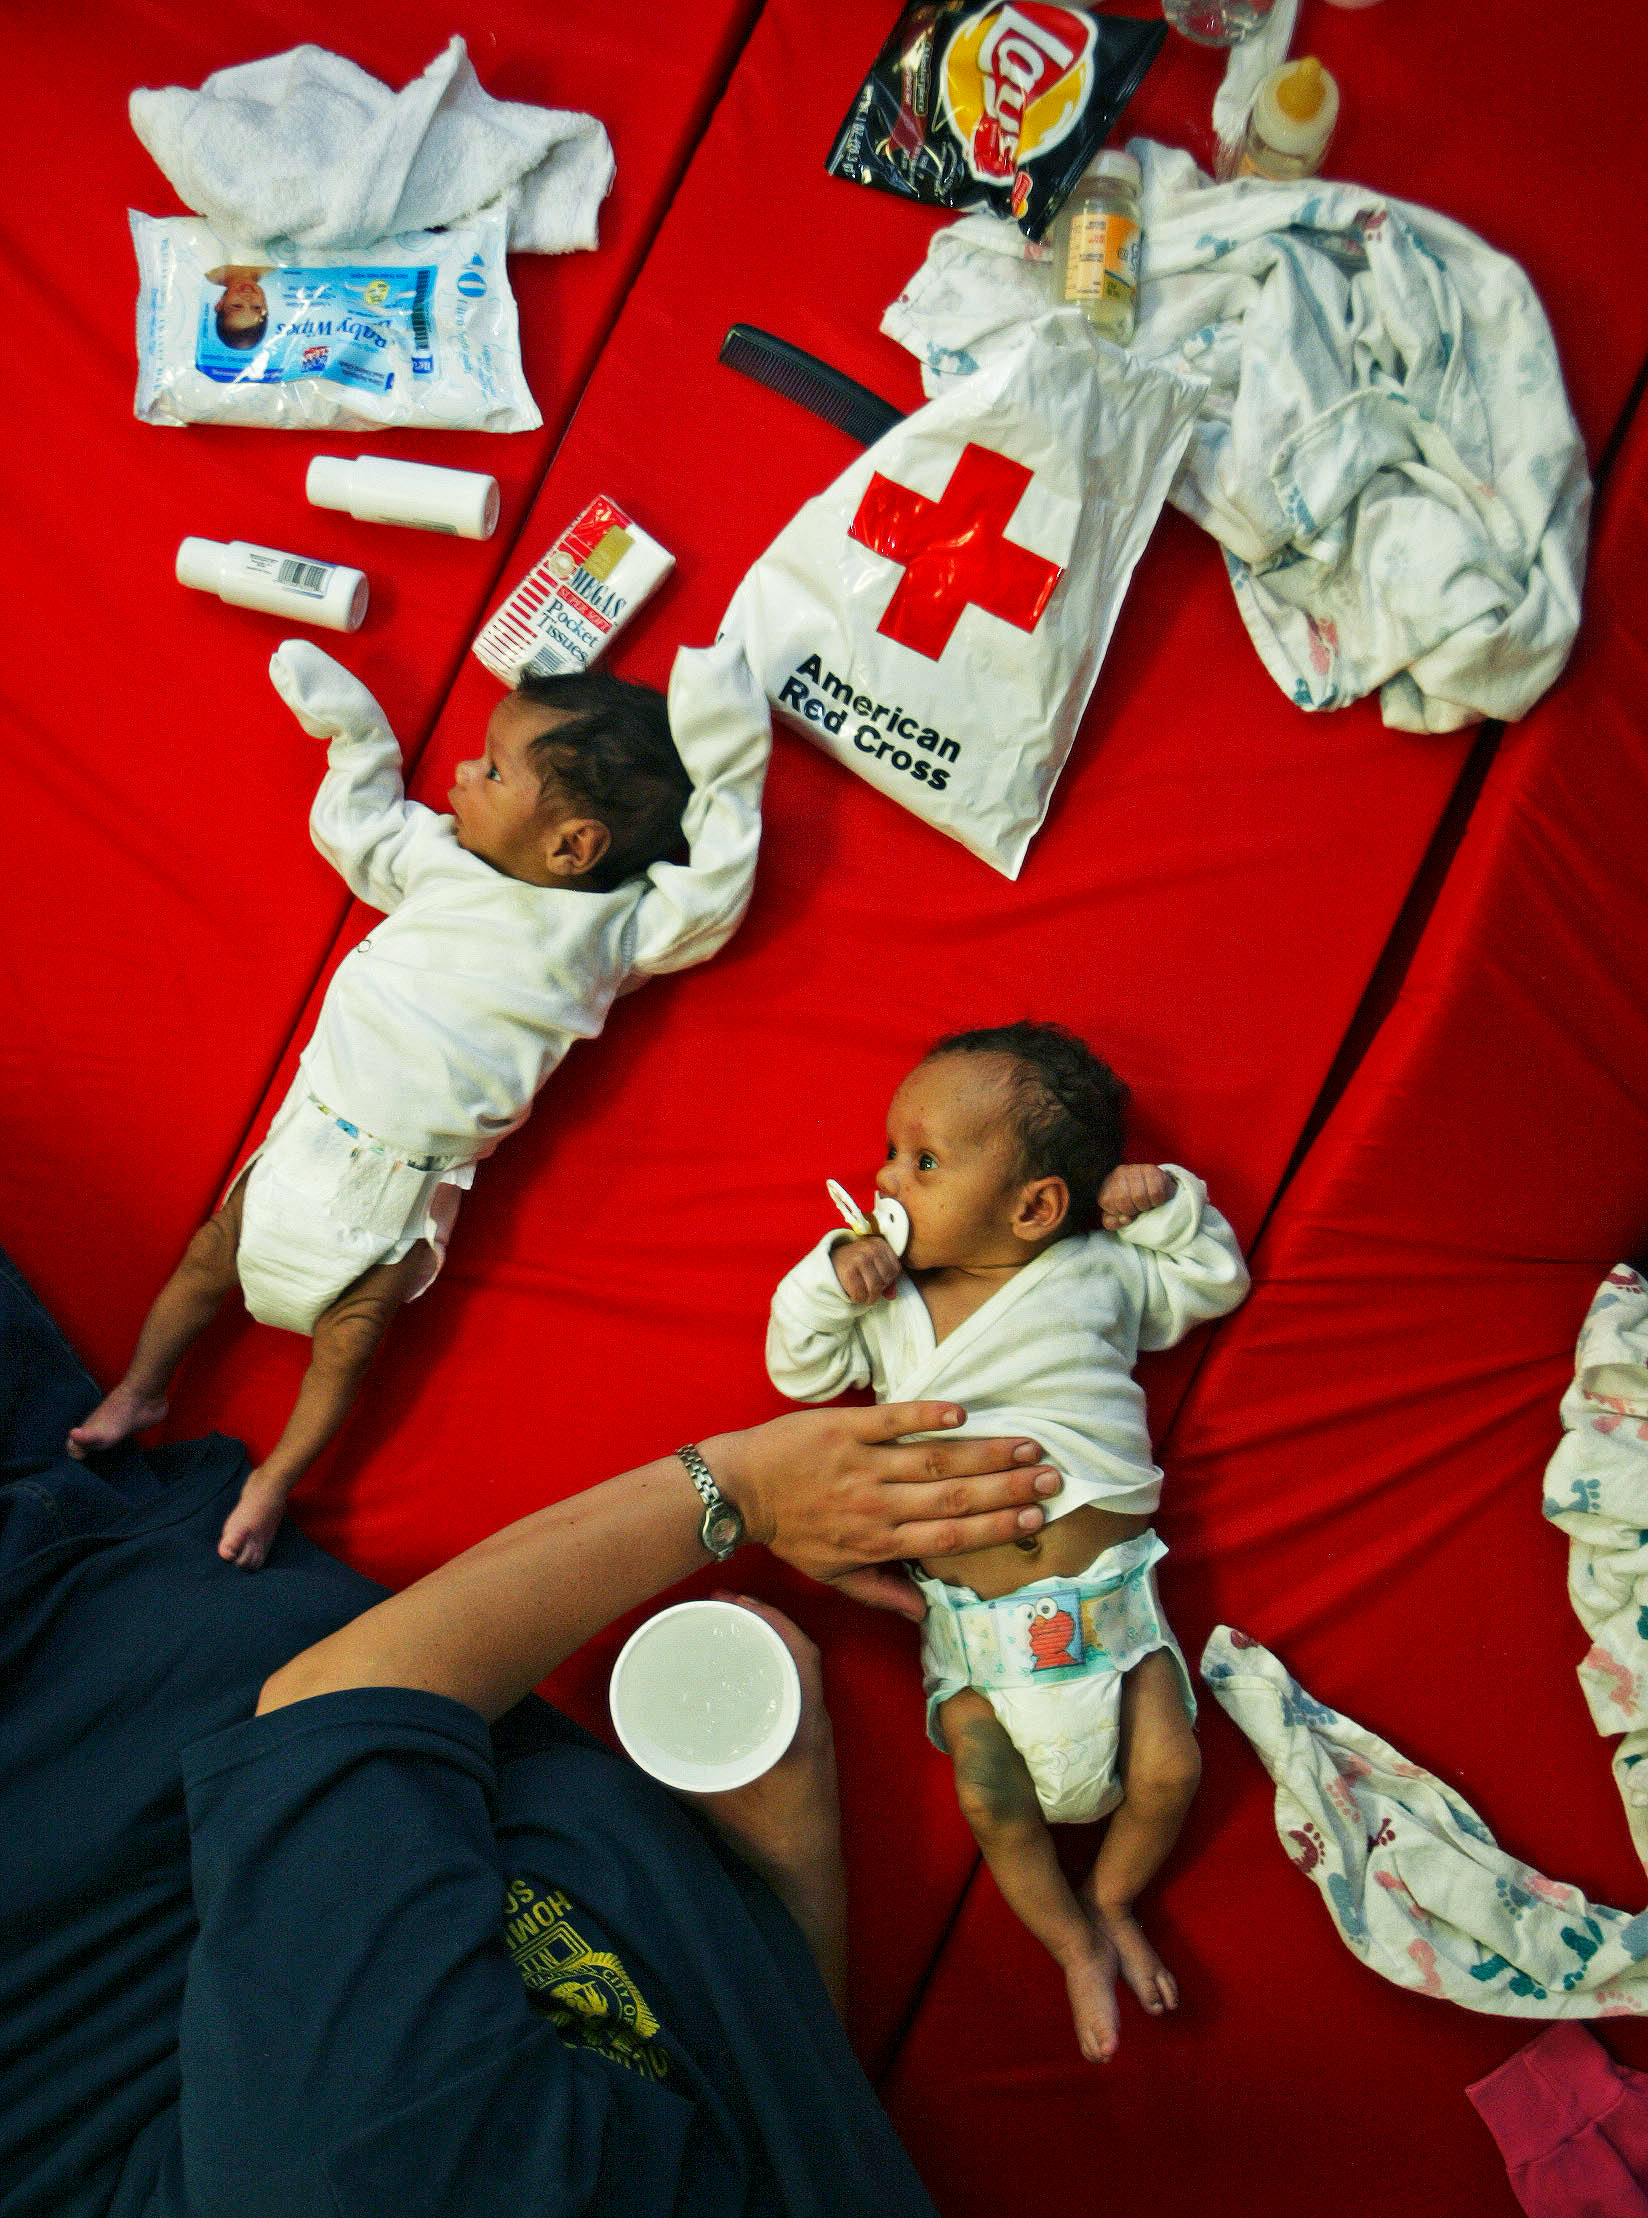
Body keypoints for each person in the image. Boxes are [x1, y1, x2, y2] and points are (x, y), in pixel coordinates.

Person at [1, 1241, 1064, 2218]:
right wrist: (787, 1866)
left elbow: (338, 1707)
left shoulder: (367, 2172)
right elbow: (776, 2115)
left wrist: (741, 1490)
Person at [68, 638, 769, 1569]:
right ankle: (143, 1388)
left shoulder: (609, 930)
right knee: (209, 1259)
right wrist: (356, 736)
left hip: (406, 1177)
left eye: (489, 769)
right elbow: (357, 831)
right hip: (315, 1133)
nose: (461, 777)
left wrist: (728, 756)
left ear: (573, 844)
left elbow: (714, 897)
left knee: (350, 1340)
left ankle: (275, 1477)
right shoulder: (440, 856)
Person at [765, 1020, 1250, 2063]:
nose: (888, 1178)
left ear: (1035, 1206)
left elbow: (1210, 1282)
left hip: (1113, 1606)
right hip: (974, 1631)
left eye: (924, 1160)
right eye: (891, 1151)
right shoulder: (884, 1299)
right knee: (990, 1793)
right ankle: (1071, 1940)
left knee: (1171, 1769)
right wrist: (827, 1274)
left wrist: (1163, 1200)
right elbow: (796, 1370)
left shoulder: (1099, 1272)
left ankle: (1114, 1897)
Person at [204, 263, 272, 350]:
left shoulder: (210, 270)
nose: (247, 298)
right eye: (256, 307)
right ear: (265, 306)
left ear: (220, 304)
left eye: (237, 306)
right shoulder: (271, 266)